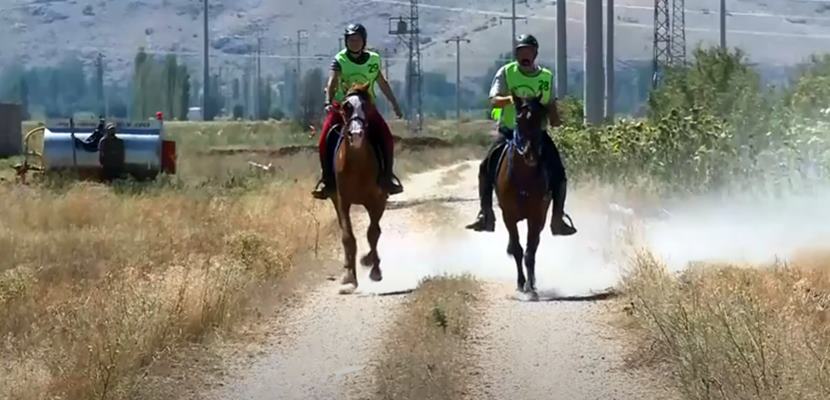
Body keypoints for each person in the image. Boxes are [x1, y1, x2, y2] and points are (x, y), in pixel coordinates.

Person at [465, 34, 578, 236]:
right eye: (520, 52)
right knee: (485, 167)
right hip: (510, 131)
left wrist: (556, 119)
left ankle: (557, 218)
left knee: (559, 172)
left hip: (537, 134)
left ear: (535, 54)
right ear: (516, 55)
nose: (524, 56)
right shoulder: (506, 73)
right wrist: (512, 99)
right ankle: (485, 214)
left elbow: (550, 103)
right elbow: (494, 100)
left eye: (528, 52)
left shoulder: (545, 77)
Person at [311, 23, 405, 199]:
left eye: (357, 40)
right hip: (342, 108)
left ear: (364, 41)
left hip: (365, 108)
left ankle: (386, 177)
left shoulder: (374, 59)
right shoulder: (340, 60)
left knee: (386, 137)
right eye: (350, 40)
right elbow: (332, 82)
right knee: (325, 139)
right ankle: (328, 180)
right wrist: (327, 102)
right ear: (346, 42)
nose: (354, 43)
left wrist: (394, 103)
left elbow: (382, 83)